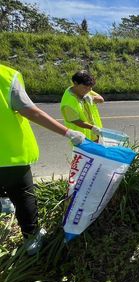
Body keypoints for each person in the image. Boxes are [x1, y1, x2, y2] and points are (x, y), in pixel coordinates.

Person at [0, 64, 86, 254]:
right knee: (24, 197)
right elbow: (30, 111)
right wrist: (68, 132)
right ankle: (32, 241)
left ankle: (4, 203)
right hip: (9, 156)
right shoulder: (5, 76)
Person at [60, 70, 104, 142]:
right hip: (81, 138)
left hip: (94, 133)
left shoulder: (85, 89)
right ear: (75, 84)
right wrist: (92, 127)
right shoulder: (68, 103)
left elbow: (101, 100)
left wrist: (92, 98)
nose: (88, 90)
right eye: (85, 88)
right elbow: (76, 121)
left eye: (90, 88)